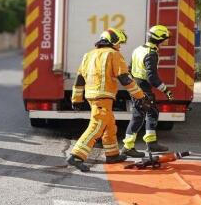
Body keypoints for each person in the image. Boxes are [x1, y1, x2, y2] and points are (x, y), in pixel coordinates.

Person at [67, 28, 149, 172]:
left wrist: (76, 99)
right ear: (113, 41)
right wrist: (140, 97)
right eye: (119, 43)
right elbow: (125, 78)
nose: (120, 46)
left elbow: (80, 79)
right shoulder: (114, 54)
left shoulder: (88, 55)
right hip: (103, 97)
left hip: (92, 96)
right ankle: (76, 156)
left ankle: (112, 155)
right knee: (96, 127)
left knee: (109, 125)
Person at [121, 25, 173, 157]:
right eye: (165, 38)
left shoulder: (138, 49)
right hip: (143, 87)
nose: (167, 40)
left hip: (137, 84)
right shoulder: (151, 53)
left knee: (152, 112)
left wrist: (134, 85)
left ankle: (151, 143)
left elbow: (129, 68)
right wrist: (165, 90)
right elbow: (152, 78)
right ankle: (128, 147)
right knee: (138, 116)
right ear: (159, 39)